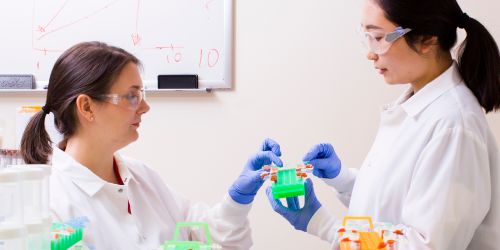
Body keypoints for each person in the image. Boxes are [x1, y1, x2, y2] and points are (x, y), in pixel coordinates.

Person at [265, 0, 500, 249]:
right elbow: (393, 205)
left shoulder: (453, 126)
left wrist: (324, 225)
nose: (370, 52)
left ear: (427, 39)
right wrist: (342, 179)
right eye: (366, 36)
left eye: (378, 37)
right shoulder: (418, 108)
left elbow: (423, 245)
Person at [20, 41, 283, 249]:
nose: (145, 107)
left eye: (141, 94)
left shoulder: (141, 177)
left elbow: (213, 236)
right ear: (87, 107)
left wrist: (237, 200)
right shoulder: (47, 203)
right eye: (132, 96)